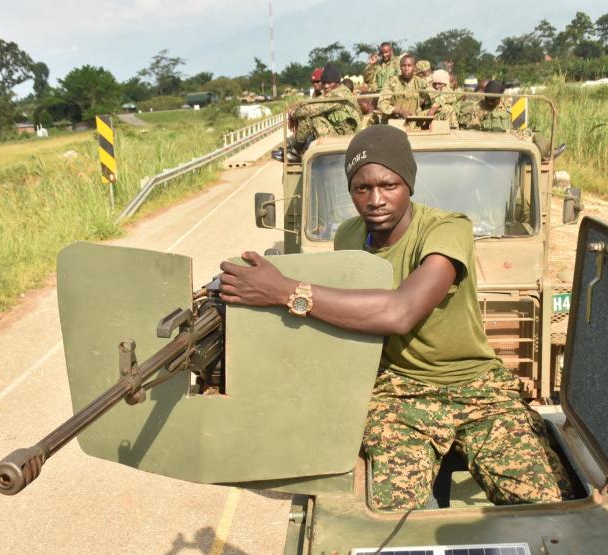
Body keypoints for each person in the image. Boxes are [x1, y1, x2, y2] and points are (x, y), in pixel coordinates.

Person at [220, 125, 571, 511]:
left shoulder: (447, 229)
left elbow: (401, 313)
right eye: (361, 188)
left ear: (409, 184)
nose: (375, 200)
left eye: (389, 185)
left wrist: (286, 291)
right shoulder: (349, 236)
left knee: (543, 506)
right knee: (391, 516)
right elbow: (338, 311)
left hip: (476, 387)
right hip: (398, 394)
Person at [274, 64, 361, 163]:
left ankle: (297, 151)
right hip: (342, 132)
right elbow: (314, 101)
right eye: (324, 83)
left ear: (337, 82)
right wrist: (297, 106)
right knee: (311, 115)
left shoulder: (339, 94)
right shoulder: (336, 92)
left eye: (329, 83)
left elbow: (311, 108)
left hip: (346, 135)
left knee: (310, 118)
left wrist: (293, 114)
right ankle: (294, 147)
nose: (326, 86)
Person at [378, 54, 431, 124]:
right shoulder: (391, 82)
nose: (406, 69)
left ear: (415, 68)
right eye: (404, 66)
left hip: (413, 123)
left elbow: (436, 96)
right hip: (393, 123)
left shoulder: (420, 82)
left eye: (409, 66)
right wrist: (399, 111)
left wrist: (430, 111)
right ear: (400, 67)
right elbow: (382, 104)